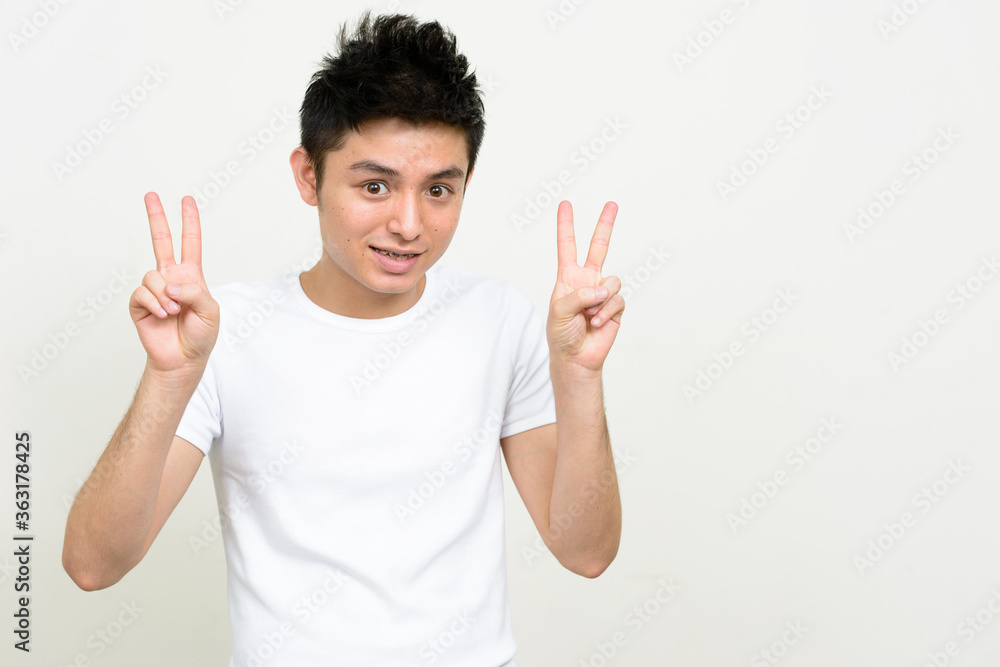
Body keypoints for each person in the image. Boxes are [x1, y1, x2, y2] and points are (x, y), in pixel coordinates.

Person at [62, 11, 624, 666]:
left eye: (439, 188)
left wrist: (580, 378)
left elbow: (586, 551)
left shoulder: (501, 318)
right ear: (308, 176)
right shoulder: (220, 331)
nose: (408, 223)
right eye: (375, 185)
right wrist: (167, 378)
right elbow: (93, 564)